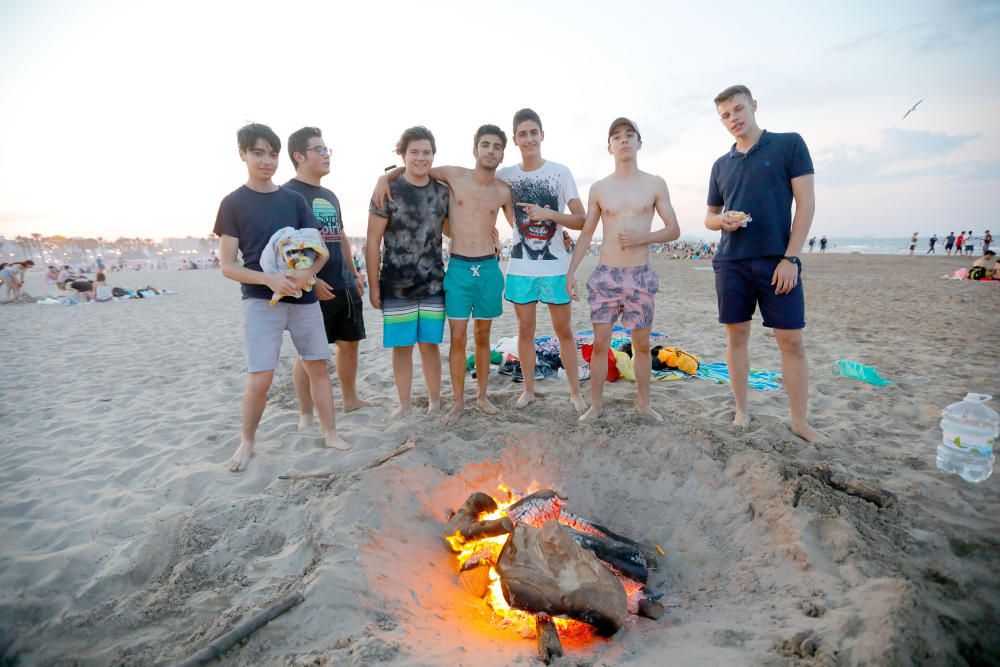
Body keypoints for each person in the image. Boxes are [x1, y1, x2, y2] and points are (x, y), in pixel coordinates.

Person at [214, 123, 350, 473]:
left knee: (318, 366)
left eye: (272, 154)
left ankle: (330, 433)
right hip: (260, 302)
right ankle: (247, 441)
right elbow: (228, 266)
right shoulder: (233, 203)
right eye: (258, 153)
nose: (266, 161)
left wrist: (305, 277)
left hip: (303, 300)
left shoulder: (294, 200)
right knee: (261, 377)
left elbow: (319, 251)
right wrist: (269, 279)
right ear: (243, 154)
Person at [704, 84, 822, 443]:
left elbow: (806, 204)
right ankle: (742, 409)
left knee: (791, 341)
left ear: (753, 106)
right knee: (736, 337)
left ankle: (800, 421)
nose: (733, 119)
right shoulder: (721, 165)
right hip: (731, 262)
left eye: (738, 109)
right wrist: (722, 221)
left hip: (777, 262)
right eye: (725, 115)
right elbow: (709, 217)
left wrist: (791, 257)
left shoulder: (789, 144)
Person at [373, 124, 513, 425]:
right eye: (485, 145)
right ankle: (458, 401)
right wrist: (384, 176)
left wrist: (559, 235)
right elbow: (417, 169)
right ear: (475, 149)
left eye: (496, 147)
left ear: (502, 154)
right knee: (457, 338)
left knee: (483, 336)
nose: (490, 150)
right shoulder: (452, 175)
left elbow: (521, 228)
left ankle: (482, 396)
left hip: (486, 267)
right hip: (457, 267)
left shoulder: (503, 190)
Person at [567, 117, 681, 422]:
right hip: (606, 274)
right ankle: (596, 404)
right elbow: (588, 233)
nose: (624, 140)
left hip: (640, 274)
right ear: (609, 147)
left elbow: (673, 229)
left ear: (640, 143)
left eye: (630, 135)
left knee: (641, 345)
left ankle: (643, 404)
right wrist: (571, 272)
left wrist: (643, 237)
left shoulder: (655, 183)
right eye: (617, 137)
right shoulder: (600, 188)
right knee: (601, 343)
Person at [497, 108, 587, 412]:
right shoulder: (505, 175)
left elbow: (581, 219)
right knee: (525, 331)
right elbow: (483, 193)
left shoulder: (560, 172)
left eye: (533, 132)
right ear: (514, 139)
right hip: (521, 266)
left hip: (555, 267)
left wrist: (550, 215)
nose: (529, 138)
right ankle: (528, 390)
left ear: (542, 135)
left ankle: (575, 392)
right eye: (522, 134)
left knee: (564, 331)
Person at [284, 127, 373, 421]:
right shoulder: (288, 195)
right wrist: (310, 279)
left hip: (342, 282)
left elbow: (341, 235)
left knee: (349, 342)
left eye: (326, 149)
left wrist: (354, 272)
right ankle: (305, 412)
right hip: (311, 285)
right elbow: (286, 245)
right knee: (309, 352)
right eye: (318, 150)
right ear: (299, 156)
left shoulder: (329, 195)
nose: (326, 155)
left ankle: (349, 399)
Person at [367, 126, 448, 419]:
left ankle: (435, 401)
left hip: (432, 282)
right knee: (401, 346)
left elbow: (455, 226)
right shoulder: (388, 191)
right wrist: (374, 287)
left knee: (430, 345)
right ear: (402, 155)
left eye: (426, 152)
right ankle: (403, 404)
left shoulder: (441, 192)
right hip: (395, 283)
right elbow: (373, 241)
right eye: (414, 152)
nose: (421, 158)